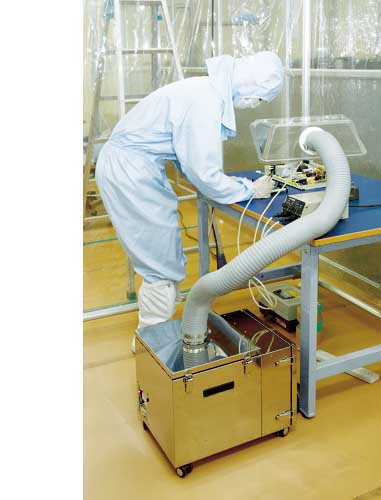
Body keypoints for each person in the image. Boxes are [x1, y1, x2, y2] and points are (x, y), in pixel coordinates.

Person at [95, 51, 284, 350]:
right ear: (250, 85)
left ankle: (155, 331)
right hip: (131, 173)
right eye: (259, 98)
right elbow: (203, 172)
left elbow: (190, 161)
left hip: (131, 168)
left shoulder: (203, 89)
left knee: (161, 255)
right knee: (160, 264)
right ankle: (150, 343)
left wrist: (228, 185)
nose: (253, 104)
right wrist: (248, 189)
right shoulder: (205, 101)